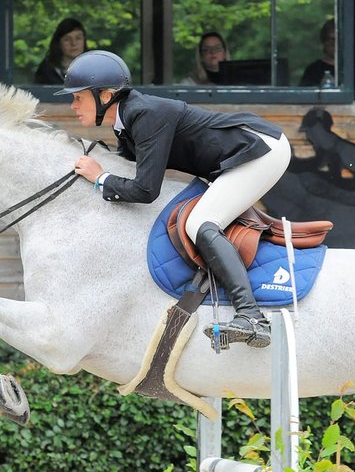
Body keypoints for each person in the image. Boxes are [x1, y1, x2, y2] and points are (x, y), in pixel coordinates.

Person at [60, 50, 291, 349]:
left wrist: (101, 178)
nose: (72, 105)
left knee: (202, 223)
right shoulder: (128, 121)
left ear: (105, 95)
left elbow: (145, 190)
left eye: (78, 97)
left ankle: (251, 317)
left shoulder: (144, 115)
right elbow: (130, 170)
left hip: (259, 151)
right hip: (241, 153)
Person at [34, 17, 88, 85]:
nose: (73, 43)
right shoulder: (46, 70)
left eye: (78, 38)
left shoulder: (95, 68)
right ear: (58, 43)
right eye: (67, 39)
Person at [298, 18, 336, 87]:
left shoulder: (354, 68)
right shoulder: (314, 70)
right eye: (331, 40)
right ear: (324, 41)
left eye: (339, 40)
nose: (335, 44)